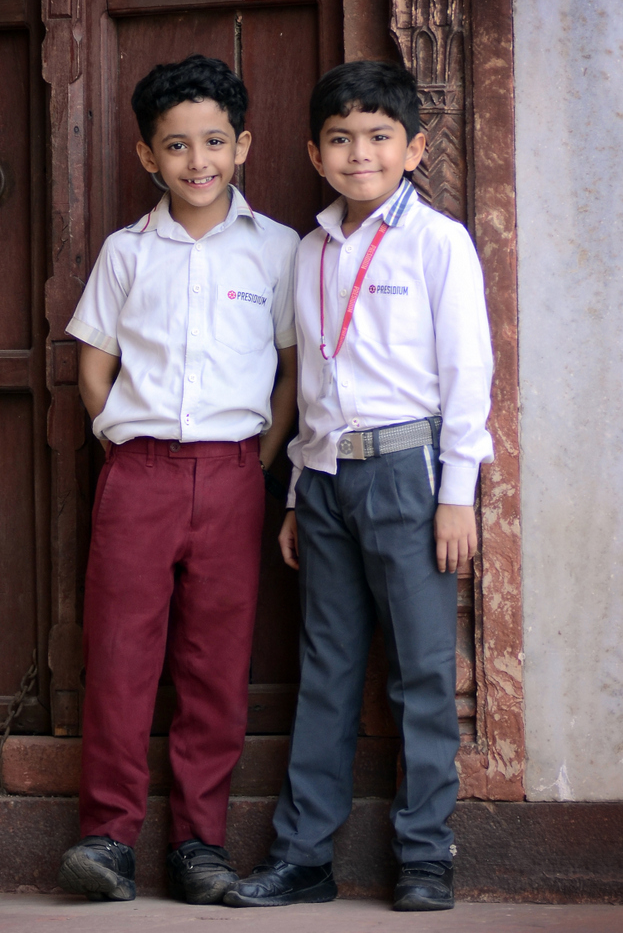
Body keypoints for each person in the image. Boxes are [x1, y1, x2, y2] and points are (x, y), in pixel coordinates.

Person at [223, 59, 493, 912]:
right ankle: (303, 858)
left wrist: (458, 491)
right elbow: (313, 387)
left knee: (419, 671)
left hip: (411, 473)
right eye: (339, 139)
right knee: (326, 668)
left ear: (413, 148)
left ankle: (423, 856)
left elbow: (467, 370)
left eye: (379, 137)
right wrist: (300, 495)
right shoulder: (308, 251)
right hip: (329, 480)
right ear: (313, 151)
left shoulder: (437, 241)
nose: (358, 153)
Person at [57, 54, 298, 905]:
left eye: (213, 143)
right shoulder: (129, 253)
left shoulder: (277, 250)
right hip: (139, 474)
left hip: (234, 474)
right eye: (176, 146)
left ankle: (199, 846)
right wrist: (116, 441)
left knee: (214, 664)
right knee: (120, 656)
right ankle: (107, 837)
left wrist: (258, 463)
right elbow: (95, 363)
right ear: (145, 157)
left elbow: (289, 368)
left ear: (242, 147)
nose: (197, 161)